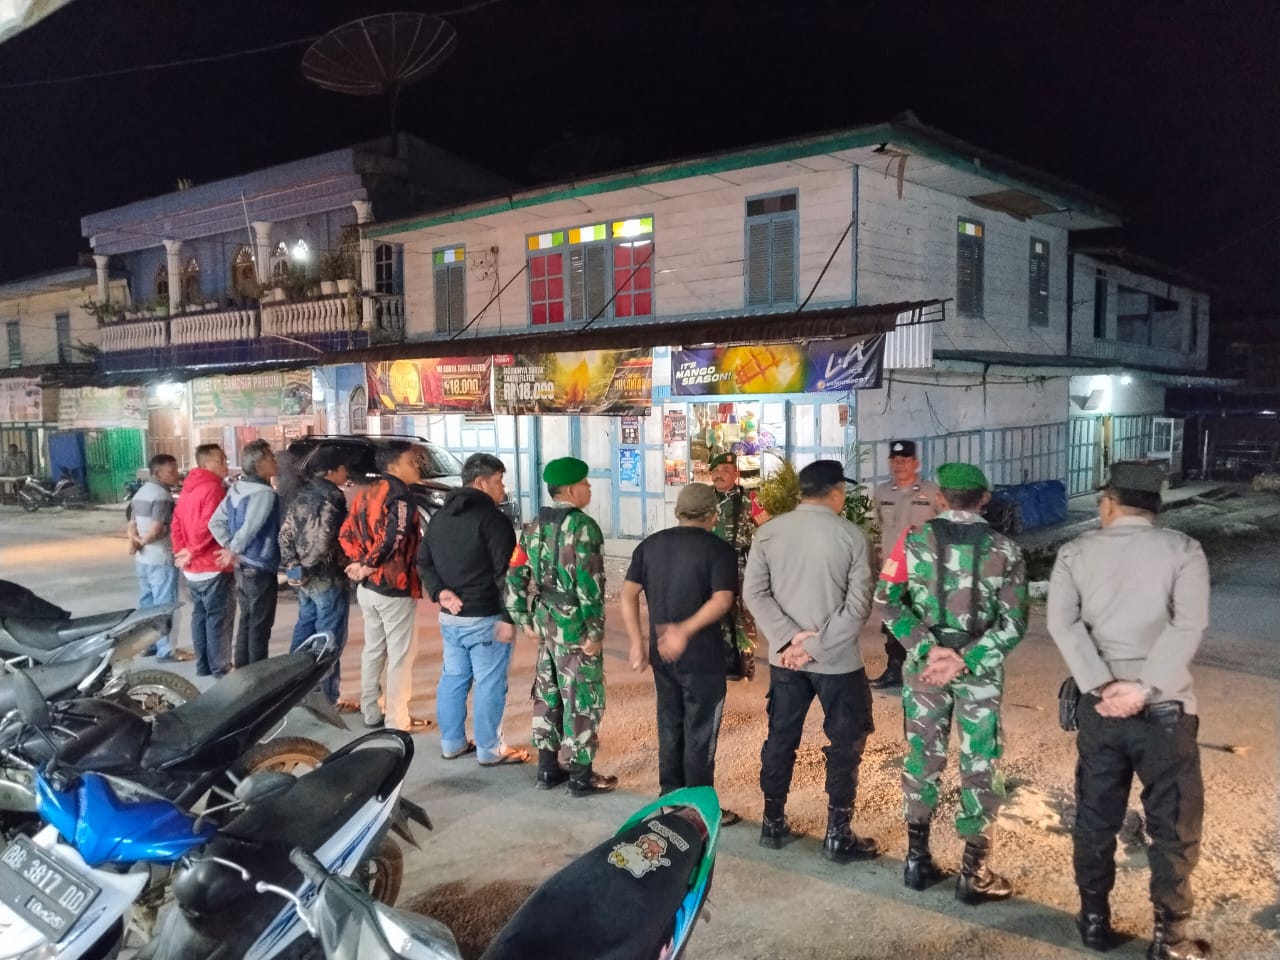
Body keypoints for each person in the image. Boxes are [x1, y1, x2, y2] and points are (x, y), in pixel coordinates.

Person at [1047, 463, 1212, 960]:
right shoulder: (1184, 551)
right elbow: (1189, 625)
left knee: (1096, 816)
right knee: (1173, 823)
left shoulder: (1075, 553)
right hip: (1166, 709)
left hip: (1100, 708)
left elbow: (1062, 623)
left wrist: (1102, 685)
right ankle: (1170, 938)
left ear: (1109, 503)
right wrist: (1143, 687)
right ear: (1154, 505)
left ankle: (1094, 921)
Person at [875, 462, 1027, 904]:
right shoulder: (1006, 550)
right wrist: (967, 658)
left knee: (922, 756)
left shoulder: (911, 541)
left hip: (925, 670)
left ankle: (916, 862)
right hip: (978, 675)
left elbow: (887, 601)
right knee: (980, 762)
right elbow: (1013, 624)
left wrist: (927, 649)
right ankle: (973, 874)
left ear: (940, 498)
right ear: (985, 499)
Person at [743, 459, 878, 863]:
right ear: (836, 492)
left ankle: (772, 823)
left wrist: (789, 640)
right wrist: (816, 646)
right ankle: (837, 835)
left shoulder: (769, 533)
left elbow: (754, 594)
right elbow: (858, 607)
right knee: (845, 743)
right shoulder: (852, 536)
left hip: (786, 662)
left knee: (781, 737)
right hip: (838, 663)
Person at [622, 482, 740, 822]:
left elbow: (628, 594)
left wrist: (636, 642)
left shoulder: (650, 545)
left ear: (678, 512)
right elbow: (723, 600)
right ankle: (697, 807)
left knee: (670, 722)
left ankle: (671, 798)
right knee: (700, 730)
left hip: (662, 656)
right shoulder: (719, 550)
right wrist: (684, 631)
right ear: (713, 515)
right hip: (703, 657)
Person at [506, 456, 616, 796]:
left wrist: (522, 618)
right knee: (583, 697)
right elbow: (589, 585)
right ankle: (581, 776)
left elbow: (515, 574)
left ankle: (547, 769)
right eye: (584, 483)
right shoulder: (584, 527)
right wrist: (594, 632)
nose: (589, 488)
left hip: (546, 621)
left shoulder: (532, 525)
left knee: (548, 691)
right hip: (575, 627)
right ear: (570, 490)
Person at [418, 453, 529, 767]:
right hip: (485, 617)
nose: (503, 489)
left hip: (451, 618)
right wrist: (509, 616)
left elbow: (423, 562)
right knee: (489, 683)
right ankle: (490, 750)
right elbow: (506, 574)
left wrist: (440, 593)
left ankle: (452, 743)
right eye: (499, 481)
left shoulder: (440, 517)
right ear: (481, 482)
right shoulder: (493, 521)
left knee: (453, 679)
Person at [338, 440, 429, 733]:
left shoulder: (367, 492)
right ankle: (397, 720)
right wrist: (368, 564)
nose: (416, 467)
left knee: (374, 650)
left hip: (368, 589)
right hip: (393, 586)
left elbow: (346, 533)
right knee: (400, 656)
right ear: (394, 466)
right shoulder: (400, 496)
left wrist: (359, 562)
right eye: (411, 462)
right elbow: (395, 537)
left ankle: (370, 710)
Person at [278, 446, 353, 707]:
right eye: (343, 469)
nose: (347, 473)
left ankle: (291, 688)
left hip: (305, 580)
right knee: (329, 638)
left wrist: (294, 568)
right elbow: (325, 539)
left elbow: (285, 534)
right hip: (326, 578)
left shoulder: (301, 493)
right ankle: (326, 697)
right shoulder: (333, 496)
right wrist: (308, 569)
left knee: (304, 630)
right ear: (331, 471)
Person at [868, 440, 940, 690]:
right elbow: (881, 524)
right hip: (893, 570)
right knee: (892, 622)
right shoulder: (882, 492)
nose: (899, 465)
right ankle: (894, 670)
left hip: (923, 571)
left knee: (923, 619)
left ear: (915, 463)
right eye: (895, 460)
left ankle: (926, 668)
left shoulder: (932, 492)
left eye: (905, 460)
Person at [209, 439, 280, 667]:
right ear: (259, 464)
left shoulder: (236, 489)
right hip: (260, 565)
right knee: (260, 626)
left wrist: (230, 547)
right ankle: (258, 677)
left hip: (242, 565)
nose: (275, 461)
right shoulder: (264, 494)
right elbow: (251, 527)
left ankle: (243, 671)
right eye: (270, 457)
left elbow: (215, 523)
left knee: (247, 621)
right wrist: (232, 549)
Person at [171, 444, 233, 678]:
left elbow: (176, 523)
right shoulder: (213, 488)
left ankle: (203, 665)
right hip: (212, 564)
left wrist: (182, 551)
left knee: (200, 616)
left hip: (191, 569)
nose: (226, 464)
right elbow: (210, 525)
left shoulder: (188, 488)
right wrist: (193, 551)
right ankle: (221, 667)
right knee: (218, 618)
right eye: (222, 460)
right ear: (207, 463)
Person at [126, 453, 192, 662]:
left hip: (142, 560)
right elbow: (156, 530)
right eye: (171, 470)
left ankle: (149, 645)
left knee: (147, 603)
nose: (176, 474)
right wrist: (143, 542)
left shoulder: (141, 492)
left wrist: (135, 543)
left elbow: (131, 524)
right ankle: (167, 650)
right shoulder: (162, 496)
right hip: (161, 558)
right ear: (157, 473)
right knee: (165, 604)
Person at [708, 452, 758, 681]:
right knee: (715, 611)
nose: (719, 475)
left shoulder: (749, 499)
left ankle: (746, 659)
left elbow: (766, 529)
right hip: (711, 566)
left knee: (743, 613)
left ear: (736, 474)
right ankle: (723, 657)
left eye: (725, 471)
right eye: (716, 471)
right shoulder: (704, 500)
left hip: (741, 565)